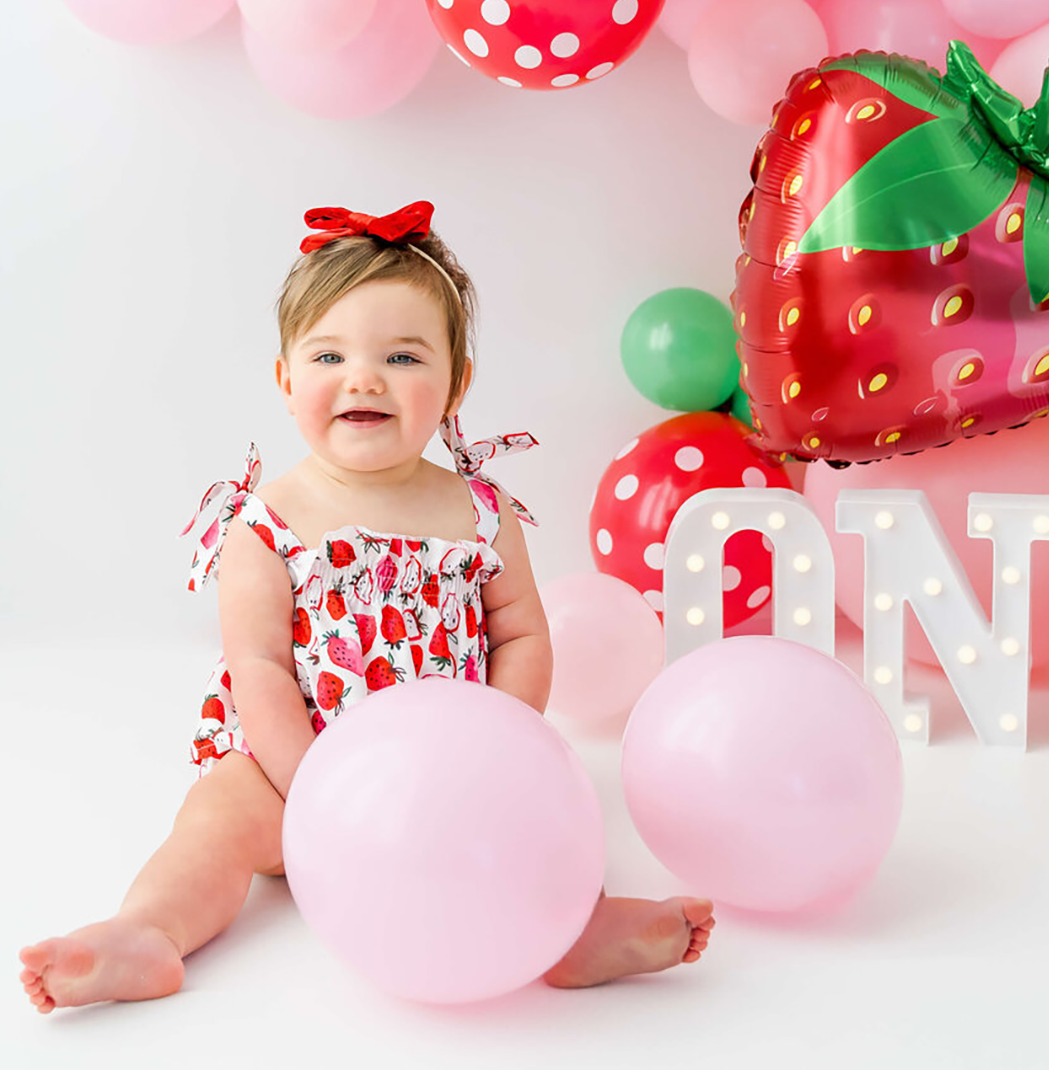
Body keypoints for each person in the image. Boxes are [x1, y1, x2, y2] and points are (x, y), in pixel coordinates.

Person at [19, 201, 714, 1013]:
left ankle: (570, 926)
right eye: (328, 353)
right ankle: (148, 931)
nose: (364, 377)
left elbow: (521, 630)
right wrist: (317, 790)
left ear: (455, 383)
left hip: (445, 772)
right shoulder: (267, 522)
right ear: (285, 380)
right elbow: (261, 667)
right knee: (218, 813)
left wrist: (497, 748)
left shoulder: (480, 512)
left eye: (403, 355)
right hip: (297, 769)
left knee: (542, 817)